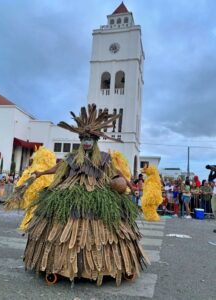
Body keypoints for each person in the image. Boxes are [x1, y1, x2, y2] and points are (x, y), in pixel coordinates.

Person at [22, 104, 149, 286]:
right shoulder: (73, 158)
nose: (87, 142)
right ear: (81, 141)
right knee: (61, 218)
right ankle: (60, 265)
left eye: (90, 139)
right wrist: (42, 173)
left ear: (96, 141)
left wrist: (128, 185)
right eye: (84, 139)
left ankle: (106, 266)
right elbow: (59, 167)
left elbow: (117, 173)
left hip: (100, 190)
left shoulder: (104, 158)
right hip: (71, 190)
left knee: (107, 224)